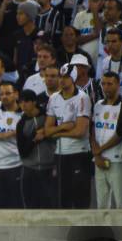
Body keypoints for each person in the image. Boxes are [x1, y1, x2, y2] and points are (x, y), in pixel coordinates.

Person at [45, 64, 92, 208]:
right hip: (60, 154)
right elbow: (47, 131)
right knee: (62, 198)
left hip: (79, 153)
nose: (62, 80)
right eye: (61, 77)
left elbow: (80, 132)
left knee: (80, 198)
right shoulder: (53, 98)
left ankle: (83, 230)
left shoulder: (83, 98)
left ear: (73, 79)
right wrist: (64, 126)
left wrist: (56, 132)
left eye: (66, 77)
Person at [16, 89, 56, 208]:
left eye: (26, 101)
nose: (23, 104)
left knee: (50, 204)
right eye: (20, 102)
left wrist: (46, 133)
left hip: (49, 167)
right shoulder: (21, 124)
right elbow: (22, 152)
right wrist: (34, 139)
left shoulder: (48, 117)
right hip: (29, 169)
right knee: (30, 205)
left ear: (34, 102)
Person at [91, 71, 122, 208]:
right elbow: (92, 130)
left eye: (109, 84)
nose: (106, 87)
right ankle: (103, 230)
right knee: (102, 204)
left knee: (121, 203)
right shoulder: (98, 105)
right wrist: (97, 154)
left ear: (118, 85)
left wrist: (100, 150)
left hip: (117, 161)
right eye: (103, 84)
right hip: (99, 161)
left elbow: (120, 133)